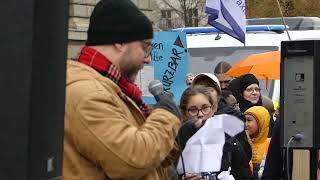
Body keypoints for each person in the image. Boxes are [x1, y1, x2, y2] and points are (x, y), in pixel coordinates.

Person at [63, 0, 182, 179]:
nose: (148, 58)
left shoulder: (113, 89)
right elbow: (133, 160)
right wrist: (166, 115)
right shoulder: (87, 94)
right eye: (145, 46)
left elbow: (148, 156)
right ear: (119, 42)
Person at [178, 73, 253, 180]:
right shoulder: (177, 140)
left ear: (213, 107)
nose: (200, 114)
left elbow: (244, 173)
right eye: (193, 109)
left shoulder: (231, 139)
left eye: (205, 108)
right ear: (185, 111)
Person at [244, 106, 271, 179]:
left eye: (249, 120)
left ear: (261, 122)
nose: (245, 124)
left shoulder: (270, 143)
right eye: (244, 120)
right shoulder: (242, 143)